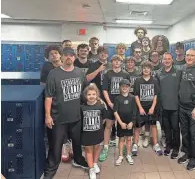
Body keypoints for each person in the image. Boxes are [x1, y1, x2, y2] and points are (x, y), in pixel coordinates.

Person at [43, 47, 88, 179]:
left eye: (71, 55)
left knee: (77, 142)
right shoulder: (54, 74)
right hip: (58, 118)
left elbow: (86, 91)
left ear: (74, 57)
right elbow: (49, 96)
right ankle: (50, 171)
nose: (69, 57)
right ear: (62, 57)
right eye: (66, 55)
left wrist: (98, 99)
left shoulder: (79, 73)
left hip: (76, 116)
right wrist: (47, 115)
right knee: (55, 147)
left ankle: (78, 160)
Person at [99, 55, 130, 162]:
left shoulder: (126, 74)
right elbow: (104, 90)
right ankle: (106, 147)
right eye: (114, 61)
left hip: (123, 104)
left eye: (119, 61)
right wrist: (109, 103)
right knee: (108, 125)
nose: (117, 62)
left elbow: (128, 89)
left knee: (124, 125)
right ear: (112, 62)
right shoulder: (108, 74)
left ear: (121, 62)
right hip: (111, 104)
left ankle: (124, 145)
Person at [132, 61, 163, 156]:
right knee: (137, 127)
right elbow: (136, 95)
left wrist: (153, 107)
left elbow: (156, 95)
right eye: (144, 68)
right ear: (142, 69)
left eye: (148, 68)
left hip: (151, 108)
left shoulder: (154, 80)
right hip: (140, 107)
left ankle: (156, 144)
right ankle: (135, 144)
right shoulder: (138, 80)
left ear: (151, 69)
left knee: (153, 125)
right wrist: (140, 108)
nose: (146, 69)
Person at [156, 53, 181, 159]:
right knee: (166, 128)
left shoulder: (178, 72)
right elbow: (157, 90)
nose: (167, 61)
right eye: (165, 59)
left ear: (172, 60)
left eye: (169, 59)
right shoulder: (158, 73)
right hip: (163, 105)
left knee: (175, 127)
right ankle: (169, 145)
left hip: (175, 105)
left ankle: (176, 147)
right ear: (162, 60)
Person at [81, 84, 107, 179]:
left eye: (93, 94)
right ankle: (91, 169)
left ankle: (95, 163)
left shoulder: (101, 106)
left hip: (98, 132)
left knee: (97, 148)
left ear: (97, 95)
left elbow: (104, 119)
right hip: (86, 134)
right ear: (85, 96)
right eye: (89, 94)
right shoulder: (82, 107)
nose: (91, 96)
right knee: (88, 150)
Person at [113, 79, 137, 166]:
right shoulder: (117, 98)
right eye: (123, 86)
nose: (125, 88)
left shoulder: (132, 98)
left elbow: (134, 111)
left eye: (126, 86)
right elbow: (115, 111)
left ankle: (128, 154)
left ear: (129, 87)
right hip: (121, 123)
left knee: (129, 139)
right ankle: (120, 156)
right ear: (120, 87)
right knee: (121, 139)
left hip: (129, 122)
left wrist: (132, 122)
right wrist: (120, 123)